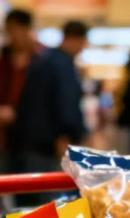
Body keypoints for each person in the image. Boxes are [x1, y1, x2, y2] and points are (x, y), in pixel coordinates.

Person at [12, 20, 90, 176]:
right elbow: (66, 103)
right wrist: (66, 135)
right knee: (53, 194)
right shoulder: (62, 65)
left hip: (32, 141)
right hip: (51, 145)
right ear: (76, 39)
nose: (83, 47)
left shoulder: (45, 59)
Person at [0, 8, 37, 168]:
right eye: (10, 30)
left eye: (18, 30)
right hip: (2, 140)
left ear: (28, 30)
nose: (14, 35)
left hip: (33, 143)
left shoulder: (42, 64)